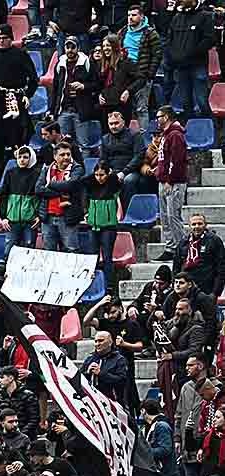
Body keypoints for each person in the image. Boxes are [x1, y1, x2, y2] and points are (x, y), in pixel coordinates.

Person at [0, 24, 38, 173]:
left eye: (4, 38)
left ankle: (21, 173)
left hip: (15, 100)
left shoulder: (21, 55)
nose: (1, 41)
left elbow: (33, 79)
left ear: (11, 39)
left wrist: (26, 95)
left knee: (17, 138)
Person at [166, 0, 214, 119]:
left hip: (198, 65)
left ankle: (208, 127)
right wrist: (174, 55)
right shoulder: (177, 17)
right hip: (181, 66)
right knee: (185, 102)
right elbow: (170, 39)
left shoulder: (205, 16)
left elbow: (210, 39)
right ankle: (190, 129)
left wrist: (191, 53)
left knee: (202, 100)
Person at [36, 141, 85, 253]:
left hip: (67, 217)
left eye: (68, 154)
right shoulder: (47, 170)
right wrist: (61, 192)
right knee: (49, 251)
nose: (66, 157)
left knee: (71, 250)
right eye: (62, 155)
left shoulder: (77, 169)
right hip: (48, 217)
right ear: (55, 156)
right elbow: (38, 189)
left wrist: (51, 185)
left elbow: (70, 185)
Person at [118, 4, 162, 129]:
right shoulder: (123, 31)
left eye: (134, 15)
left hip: (142, 75)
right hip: (125, 74)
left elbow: (157, 55)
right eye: (128, 15)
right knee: (124, 107)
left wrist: (150, 74)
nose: (130, 18)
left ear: (142, 17)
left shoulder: (150, 33)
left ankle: (144, 139)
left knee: (141, 108)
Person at [154, 105, 188, 263]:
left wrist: (169, 179)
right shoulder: (166, 135)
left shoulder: (175, 135)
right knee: (165, 217)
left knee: (173, 216)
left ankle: (183, 248)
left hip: (173, 183)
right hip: (164, 181)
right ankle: (170, 247)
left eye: (159, 116)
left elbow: (176, 160)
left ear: (166, 117)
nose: (157, 120)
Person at [0, 145, 41, 249]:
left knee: (29, 248)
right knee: (9, 248)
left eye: (25, 157)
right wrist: (3, 217)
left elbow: (40, 198)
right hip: (12, 221)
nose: (22, 160)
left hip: (30, 221)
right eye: (20, 157)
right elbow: (3, 196)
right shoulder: (10, 173)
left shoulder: (37, 174)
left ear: (31, 158)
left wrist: (39, 216)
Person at [175, 214, 225, 298]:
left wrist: (215, 292)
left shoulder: (214, 241)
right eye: (194, 224)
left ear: (205, 225)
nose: (197, 226)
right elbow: (176, 266)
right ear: (189, 226)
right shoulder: (183, 242)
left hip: (207, 288)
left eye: (200, 223)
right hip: (187, 289)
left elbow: (221, 267)